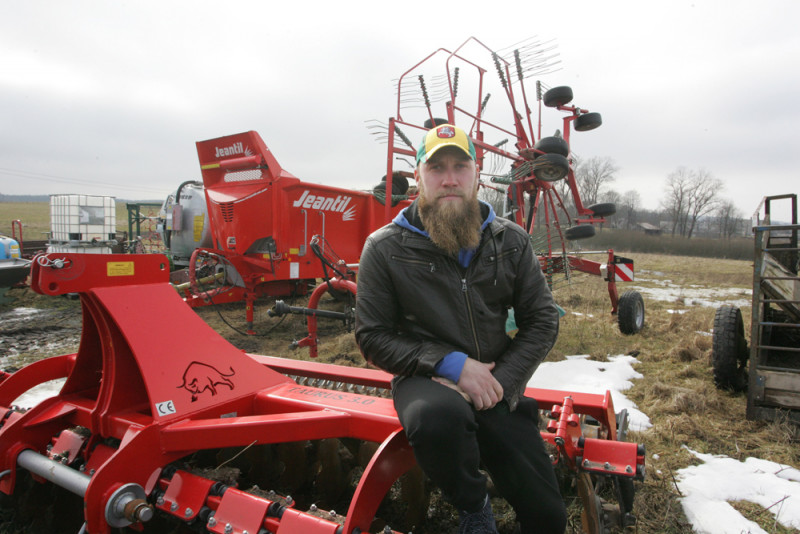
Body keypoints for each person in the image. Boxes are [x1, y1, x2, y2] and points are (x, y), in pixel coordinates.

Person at [355, 123, 567, 534]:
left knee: (549, 517)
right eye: (436, 168)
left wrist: (499, 382)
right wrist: (451, 365)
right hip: (425, 377)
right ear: (417, 176)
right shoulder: (384, 248)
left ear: (476, 174)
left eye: (460, 166)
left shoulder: (511, 241)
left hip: (496, 381)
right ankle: (474, 507)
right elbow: (372, 335)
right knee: (436, 419)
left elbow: (541, 320)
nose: (449, 179)